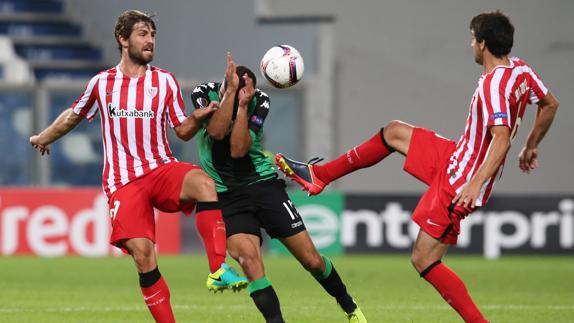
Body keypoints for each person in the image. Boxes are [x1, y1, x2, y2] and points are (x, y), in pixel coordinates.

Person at [275, 11, 559, 323]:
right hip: (455, 154)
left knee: (423, 258)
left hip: (460, 180)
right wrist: (531, 145)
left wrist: (475, 183)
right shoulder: (519, 69)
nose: (471, 45)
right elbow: (549, 104)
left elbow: (501, 139)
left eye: (472, 39)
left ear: (482, 44)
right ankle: (320, 176)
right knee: (394, 132)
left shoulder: (493, 86)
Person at [29, 10, 247, 323]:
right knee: (144, 256)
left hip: (160, 169)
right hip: (124, 183)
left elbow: (181, 130)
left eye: (153, 35)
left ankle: (217, 269)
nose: (150, 41)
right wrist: (43, 137)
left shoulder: (165, 82)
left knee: (204, 183)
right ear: (123, 39)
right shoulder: (102, 84)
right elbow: (73, 115)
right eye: (143, 34)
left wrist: (198, 118)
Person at [190, 53, 367, 323]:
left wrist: (242, 107)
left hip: (264, 188)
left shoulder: (259, 101)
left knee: (312, 261)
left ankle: (349, 306)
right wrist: (232, 96)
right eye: (232, 90)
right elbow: (215, 132)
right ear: (224, 86)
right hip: (227, 197)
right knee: (250, 262)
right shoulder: (203, 93)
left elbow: (238, 150)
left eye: (242, 93)